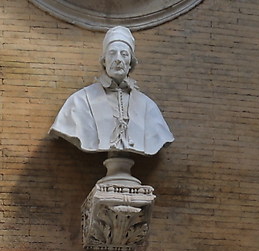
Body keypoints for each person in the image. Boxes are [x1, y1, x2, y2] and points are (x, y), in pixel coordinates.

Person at [50, 25, 175, 157]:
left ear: (131, 63)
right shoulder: (80, 101)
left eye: (124, 54)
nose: (118, 59)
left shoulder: (148, 106)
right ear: (104, 61)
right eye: (112, 53)